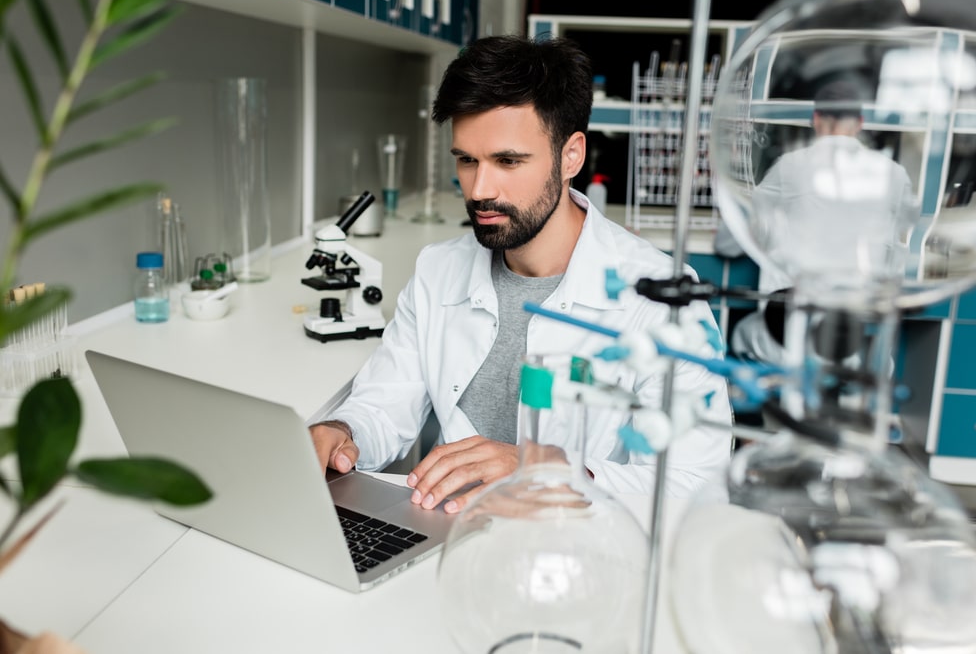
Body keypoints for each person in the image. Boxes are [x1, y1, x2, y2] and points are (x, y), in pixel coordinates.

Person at [308, 34, 734, 513]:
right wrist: (343, 433)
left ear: (571, 156)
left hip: (573, 552)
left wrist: (551, 472)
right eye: (467, 160)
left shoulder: (662, 300)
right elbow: (385, 403)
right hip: (446, 536)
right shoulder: (437, 269)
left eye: (508, 161)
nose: (480, 189)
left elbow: (696, 481)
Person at [715, 78, 919, 365]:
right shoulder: (894, 174)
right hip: (854, 342)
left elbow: (734, 237)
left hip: (789, 336)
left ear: (816, 120)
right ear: (859, 123)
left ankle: (758, 404)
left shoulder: (790, 166)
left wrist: (726, 240)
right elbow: (907, 228)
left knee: (739, 335)